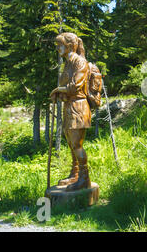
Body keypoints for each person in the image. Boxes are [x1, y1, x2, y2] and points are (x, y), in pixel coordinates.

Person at [50, 32, 92, 191]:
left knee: (76, 143)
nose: (57, 48)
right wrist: (59, 94)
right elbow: (66, 86)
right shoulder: (67, 63)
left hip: (78, 107)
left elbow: (75, 85)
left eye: (59, 45)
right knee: (70, 143)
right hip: (69, 106)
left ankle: (84, 178)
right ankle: (75, 174)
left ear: (68, 46)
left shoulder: (80, 62)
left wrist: (58, 90)